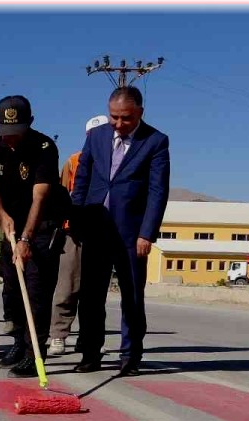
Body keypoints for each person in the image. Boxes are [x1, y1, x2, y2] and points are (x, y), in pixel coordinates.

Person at [70, 86, 170, 377]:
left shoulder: (156, 141)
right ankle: (90, 353)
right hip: (96, 227)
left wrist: (146, 234)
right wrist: (77, 216)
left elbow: (157, 191)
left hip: (131, 234)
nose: (118, 123)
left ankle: (130, 356)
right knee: (90, 296)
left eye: (125, 118)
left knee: (132, 297)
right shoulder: (97, 136)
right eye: (113, 117)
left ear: (139, 112)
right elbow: (83, 175)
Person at [0, 95, 65, 378]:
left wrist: (27, 239)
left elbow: (40, 196)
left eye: (14, 134)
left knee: (36, 292)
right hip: (11, 225)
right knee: (12, 290)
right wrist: (3, 217)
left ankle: (34, 354)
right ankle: (18, 342)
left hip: (41, 228)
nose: (8, 140)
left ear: (29, 124)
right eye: (4, 133)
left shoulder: (44, 148)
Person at [49, 114, 109, 357]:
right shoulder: (74, 161)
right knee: (67, 287)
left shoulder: (115, 161)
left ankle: (90, 339)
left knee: (95, 292)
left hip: (103, 231)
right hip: (74, 232)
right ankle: (58, 336)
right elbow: (63, 194)